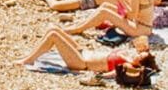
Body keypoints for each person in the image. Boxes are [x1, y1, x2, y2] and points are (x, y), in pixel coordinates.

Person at [20, 27, 156, 78]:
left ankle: (29, 59)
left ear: (140, 64)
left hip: (81, 63)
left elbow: (112, 75)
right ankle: (32, 54)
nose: (138, 55)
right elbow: (140, 41)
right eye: (140, 54)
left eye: (140, 57)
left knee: (54, 36)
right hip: (83, 51)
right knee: (53, 29)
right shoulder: (129, 56)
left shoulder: (128, 67)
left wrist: (94, 76)